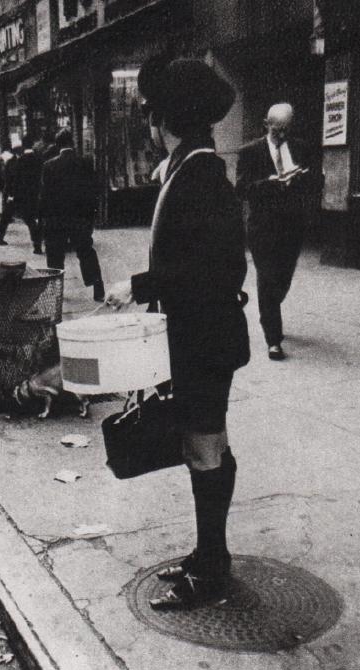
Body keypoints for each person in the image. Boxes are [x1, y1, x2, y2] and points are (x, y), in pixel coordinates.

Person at [105, 57, 249, 609]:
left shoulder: (201, 176)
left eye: (150, 114)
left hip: (205, 342)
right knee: (204, 446)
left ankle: (212, 568)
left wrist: (138, 286)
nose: (148, 124)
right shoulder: (187, 170)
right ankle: (207, 554)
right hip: (198, 338)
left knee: (205, 449)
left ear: (164, 119)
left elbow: (214, 270)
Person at [236, 102, 314, 360]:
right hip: (263, 227)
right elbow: (242, 188)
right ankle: (273, 338)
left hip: (292, 225)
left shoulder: (300, 147)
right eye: (277, 129)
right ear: (267, 124)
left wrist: (303, 178)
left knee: (282, 280)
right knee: (267, 278)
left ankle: (271, 308)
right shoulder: (250, 152)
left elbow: (315, 181)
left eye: (286, 129)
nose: (282, 134)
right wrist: (269, 183)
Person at [38, 128, 105, 301]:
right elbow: (93, 190)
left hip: (56, 218)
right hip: (80, 217)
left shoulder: (49, 166)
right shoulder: (85, 163)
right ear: (72, 143)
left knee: (55, 255)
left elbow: (45, 195)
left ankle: (55, 292)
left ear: (57, 145)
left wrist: (43, 218)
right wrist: (91, 215)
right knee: (86, 251)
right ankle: (98, 287)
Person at [0, 134, 43, 254]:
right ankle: (37, 244)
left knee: (6, 216)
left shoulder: (19, 161)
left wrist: (10, 194)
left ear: (23, 145)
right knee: (31, 220)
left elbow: (14, 179)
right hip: (32, 194)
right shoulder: (39, 159)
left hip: (18, 194)